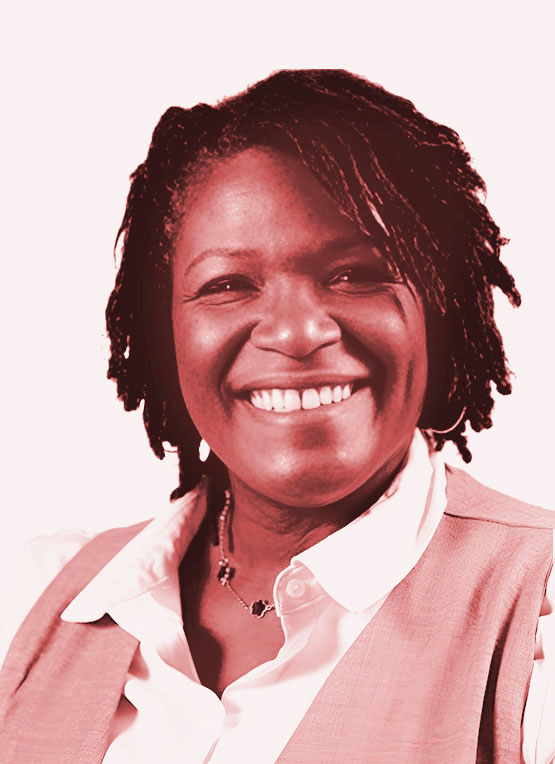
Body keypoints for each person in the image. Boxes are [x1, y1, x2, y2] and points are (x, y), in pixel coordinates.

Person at [0, 69, 553, 764]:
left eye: (355, 274)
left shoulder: (537, 609)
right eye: (228, 284)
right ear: (162, 331)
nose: (295, 333)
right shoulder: (39, 597)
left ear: (440, 308)